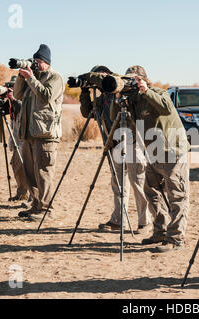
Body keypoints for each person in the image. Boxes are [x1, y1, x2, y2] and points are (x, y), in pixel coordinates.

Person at [111, 65, 190, 253]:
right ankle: (160, 231)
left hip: (172, 151)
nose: (129, 83)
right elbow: (120, 123)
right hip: (153, 152)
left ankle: (176, 238)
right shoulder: (133, 100)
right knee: (151, 191)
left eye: (133, 79)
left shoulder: (157, 93)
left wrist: (146, 91)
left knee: (177, 195)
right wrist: (118, 101)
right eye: (127, 79)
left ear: (143, 79)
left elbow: (165, 107)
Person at [79, 66, 151, 234]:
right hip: (115, 144)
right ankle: (118, 220)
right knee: (118, 186)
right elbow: (87, 112)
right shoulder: (102, 98)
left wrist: (92, 77)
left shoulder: (121, 90)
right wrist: (84, 91)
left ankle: (145, 222)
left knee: (138, 183)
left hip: (132, 142)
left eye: (101, 79)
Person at [13, 44, 64, 219]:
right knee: (30, 173)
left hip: (46, 135)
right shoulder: (31, 78)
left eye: (39, 61)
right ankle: (35, 206)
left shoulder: (54, 77)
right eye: (35, 61)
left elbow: (46, 96)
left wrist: (31, 79)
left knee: (43, 173)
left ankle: (47, 210)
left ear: (47, 62)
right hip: (29, 133)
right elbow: (18, 95)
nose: (36, 64)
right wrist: (22, 77)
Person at [5, 81, 29, 203]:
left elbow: (21, 108)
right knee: (15, 166)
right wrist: (1, 98)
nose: (10, 89)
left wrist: (13, 98)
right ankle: (21, 193)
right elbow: (4, 111)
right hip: (15, 140)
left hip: (24, 139)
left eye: (12, 87)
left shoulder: (25, 98)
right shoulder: (12, 102)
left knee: (24, 167)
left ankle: (30, 195)